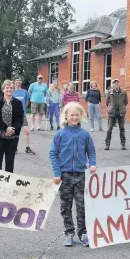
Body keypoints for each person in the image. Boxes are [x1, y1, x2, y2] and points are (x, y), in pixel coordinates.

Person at [49, 103, 96, 247]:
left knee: (82, 205)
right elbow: (53, 154)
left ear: (81, 116)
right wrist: (57, 173)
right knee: (66, 206)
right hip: (65, 175)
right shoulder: (60, 134)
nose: (74, 117)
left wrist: (92, 164)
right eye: (72, 115)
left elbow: (91, 151)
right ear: (66, 116)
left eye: (77, 115)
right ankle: (69, 232)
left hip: (81, 174)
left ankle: (83, 233)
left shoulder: (85, 134)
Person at [0, 79, 24, 172]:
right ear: (3, 89)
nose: (9, 89)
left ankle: (8, 184)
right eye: (7, 88)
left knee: (10, 162)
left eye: (11, 88)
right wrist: (5, 128)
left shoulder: (18, 103)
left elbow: (20, 118)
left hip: (13, 137)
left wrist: (13, 129)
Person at [13, 78, 35, 154]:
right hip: (13, 115)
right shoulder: (12, 91)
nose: (18, 81)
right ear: (14, 82)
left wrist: (22, 109)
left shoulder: (25, 92)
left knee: (27, 131)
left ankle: (27, 148)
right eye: (16, 80)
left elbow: (27, 103)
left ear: (21, 82)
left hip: (22, 114)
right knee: (14, 132)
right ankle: (14, 148)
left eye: (19, 80)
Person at [105, 79, 128, 149]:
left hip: (121, 112)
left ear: (119, 84)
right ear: (113, 85)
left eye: (117, 83)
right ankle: (107, 144)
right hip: (112, 112)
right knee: (109, 129)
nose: (116, 84)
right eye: (115, 83)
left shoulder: (124, 92)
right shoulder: (109, 92)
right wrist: (109, 108)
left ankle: (123, 144)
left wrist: (123, 107)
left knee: (122, 128)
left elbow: (126, 102)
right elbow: (107, 102)